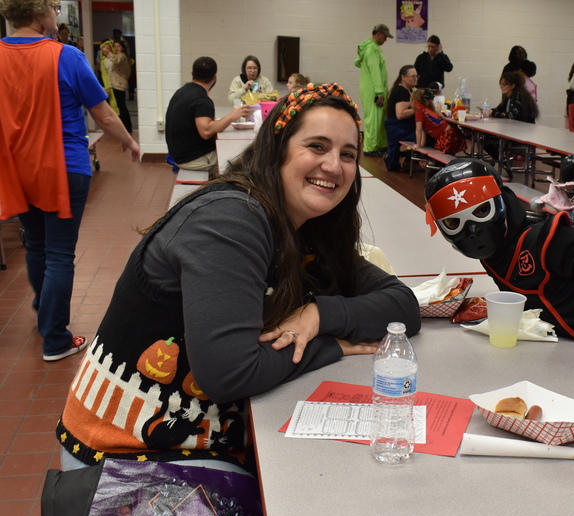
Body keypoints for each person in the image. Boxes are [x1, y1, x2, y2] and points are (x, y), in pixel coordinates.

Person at [56, 83, 421, 474]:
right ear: (277, 148)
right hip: (125, 454)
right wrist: (332, 344)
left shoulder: (307, 229)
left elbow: (403, 305)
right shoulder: (232, 219)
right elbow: (230, 374)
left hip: (201, 440)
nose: (334, 165)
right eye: (317, 146)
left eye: (348, 154)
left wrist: (319, 315)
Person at [424, 159, 574, 376]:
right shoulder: (497, 253)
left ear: (502, 202)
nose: (473, 230)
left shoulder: (549, 241)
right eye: (454, 223)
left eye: (482, 211)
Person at [0, 0, 139, 361]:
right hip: (63, 167)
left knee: (36, 244)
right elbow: (104, 115)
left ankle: (44, 309)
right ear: (37, 13)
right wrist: (128, 140)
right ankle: (56, 340)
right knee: (60, 254)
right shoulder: (67, 57)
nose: (55, 16)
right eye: (53, 9)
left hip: (17, 170)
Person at [165, 56, 251, 172]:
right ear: (215, 77)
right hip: (193, 159)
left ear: (192, 73)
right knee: (241, 160)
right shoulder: (201, 99)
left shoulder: (182, 91)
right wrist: (231, 116)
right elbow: (206, 132)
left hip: (180, 154)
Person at [355, 23, 392, 157]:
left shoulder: (370, 48)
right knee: (373, 118)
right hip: (373, 90)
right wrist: (379, 92)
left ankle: (379, 145)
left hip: (370, 88)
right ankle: (370, 148)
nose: (386, 40)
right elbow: (375, 72)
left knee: (378, 118)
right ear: (379, 34)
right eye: (385, 37)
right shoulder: (372, 50)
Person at [384, 65, 418, 171]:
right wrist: (417, 109)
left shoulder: (406, 90)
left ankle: (411, 160)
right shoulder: (402, 91)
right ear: (403, 77)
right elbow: (400, 114)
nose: (415, 79)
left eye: (416, 76)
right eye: (412, 76)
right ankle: (414, 160)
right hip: (398, 127)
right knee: (426, 135)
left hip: (397, 127)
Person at [412, 88, 466, 154]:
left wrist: (417, 145)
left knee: (436, 158)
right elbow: (423, 131)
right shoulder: (428, 109)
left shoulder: (420, 111)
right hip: (452, 134)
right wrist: (420, 145)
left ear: (414, 101)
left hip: (447, 136)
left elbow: (418, 130)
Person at [109, 40, 133, 133]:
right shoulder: (124, 56)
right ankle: (128, 127)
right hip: (120, 83)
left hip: (118, 84)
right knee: (122, 106)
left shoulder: (121, 55)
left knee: (121, 107)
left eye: (118, 46)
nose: (116, 48)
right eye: (114, 46)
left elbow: (116, 60)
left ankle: (125, 128)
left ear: (122, 48)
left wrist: (108, 53)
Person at [98, 40, 119, 115]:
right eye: (104, 48)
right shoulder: (103, 61)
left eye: (108, 48)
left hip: (118, 83)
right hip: (110, 85)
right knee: (113, 104)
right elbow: (104, 75)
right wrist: (107, 87)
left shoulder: (115, 57)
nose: (106, 50)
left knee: (120, 104)